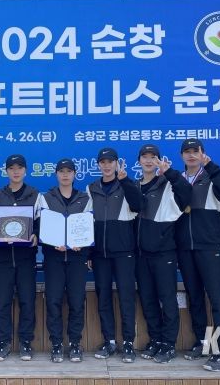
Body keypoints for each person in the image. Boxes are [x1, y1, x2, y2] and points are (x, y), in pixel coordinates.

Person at [174, 139, 220, 372]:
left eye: (195, 151)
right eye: (187, 152)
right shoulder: (177, 179)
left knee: (217, 298)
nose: (191, 155)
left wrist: (212, 167)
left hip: (208, 246)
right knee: (195, 296)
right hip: (184, 248)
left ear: (202, 154)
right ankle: (202, 341)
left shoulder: (213, 176)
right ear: (181, 155)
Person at [135, 144, 191, 364]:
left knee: (167, 299)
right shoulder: (134, 186)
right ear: (139, 161)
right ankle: (156, 339)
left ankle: (169, 344)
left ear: (159, 160)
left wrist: (170, 173)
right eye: (145, 157)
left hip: (164, 253)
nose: (149, 161)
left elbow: (187, 194)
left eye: (153, 157)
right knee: (147, 299)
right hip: (141, 254)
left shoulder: (167, 184)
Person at [87, 147, 142, 363]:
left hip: (124, 252)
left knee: (126, 297)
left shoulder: (129, 184)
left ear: (117, 163)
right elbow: (86, 222)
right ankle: (109, 341)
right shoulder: (91, 188)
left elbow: (138, 205)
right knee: (103, 297)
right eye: (103, 162)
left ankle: (128, 342)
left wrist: (125, 180)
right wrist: (89, 253)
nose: (107, 165)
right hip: (100, 254)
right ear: (98, 165)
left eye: (110, 161)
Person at [0, 154, 41, 361]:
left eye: (19, 168)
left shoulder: (36, 195)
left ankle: (25, 343)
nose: (16, 172)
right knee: (2, 302)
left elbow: (41, 225)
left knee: (27, 301)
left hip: (26, 258)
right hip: (3, 259)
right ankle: (3, 343)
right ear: (6, 171)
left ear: (25, 170)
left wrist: (36, 236)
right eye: (11, 168)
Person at [39, 158, 92, 362]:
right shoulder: (46, 198)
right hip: (54, 258)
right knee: (53, 301)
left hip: (77, 258)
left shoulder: (85, 198)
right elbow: (42, 227)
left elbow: (89, 227)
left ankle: (75, 343)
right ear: (56, 174)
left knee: (77, 302)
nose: (65, 175)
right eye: (61, 171)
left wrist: (82, 243)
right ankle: (56, 344)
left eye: (69, 171)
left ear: (75, 174)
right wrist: (53, 242)